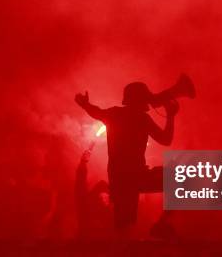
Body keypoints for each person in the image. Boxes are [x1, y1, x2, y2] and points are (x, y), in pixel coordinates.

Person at [75, 82, 179, 239]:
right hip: (137, 176)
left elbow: (95, 112)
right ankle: (161, 224)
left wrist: (85, 104)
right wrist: (170, 116)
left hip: (121, 179)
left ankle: (124, 256)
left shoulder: (115, 114)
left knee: (124, 229)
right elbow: (165, 140)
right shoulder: (143, 119)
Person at [75, 147, 112, 239]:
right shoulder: (86, 206)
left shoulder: (112, 215)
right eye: (101, 196)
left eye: (107, 196)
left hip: (107, 249)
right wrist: (83, 163)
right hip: (86, 247)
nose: (104, 199)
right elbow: (80, 185)